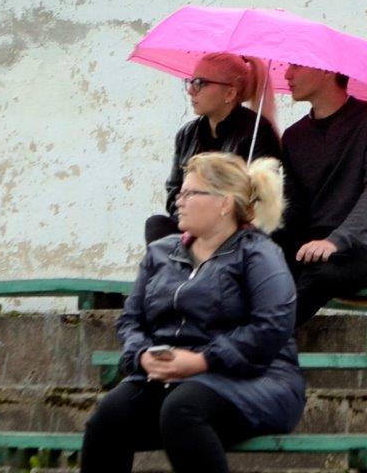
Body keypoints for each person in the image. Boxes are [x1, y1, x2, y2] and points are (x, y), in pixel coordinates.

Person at [82, 152, 304, 473]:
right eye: (180, 192)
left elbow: (271, 326)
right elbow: (131, 320)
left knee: (183, 410)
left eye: (190, 193)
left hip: (258, 380)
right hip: (174, 379)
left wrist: (203, 361)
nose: (179, 201)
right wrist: (142, 357)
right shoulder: (161, 252)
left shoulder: (258, 253)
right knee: (109, 419)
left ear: (224, 203)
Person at [273, 66, 367, 327]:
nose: (287, 75)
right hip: (308, 248)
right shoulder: (294, 136)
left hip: (363, 251)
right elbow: (293, 211)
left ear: (327, 70)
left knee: (318, 275)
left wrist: (336, 241)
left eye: (297, 65)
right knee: (253, 260)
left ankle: (253, 343)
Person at [145, 52, 282, 244]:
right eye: (190, 81)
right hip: (192, 228)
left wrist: (212, 221)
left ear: (230, 93)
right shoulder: (187, 134)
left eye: (200, 83)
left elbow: (261, 198)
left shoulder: (257, 133)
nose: (191, 90)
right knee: (157, 225)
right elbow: (174, 190)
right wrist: (195, 220)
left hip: (234, 231)